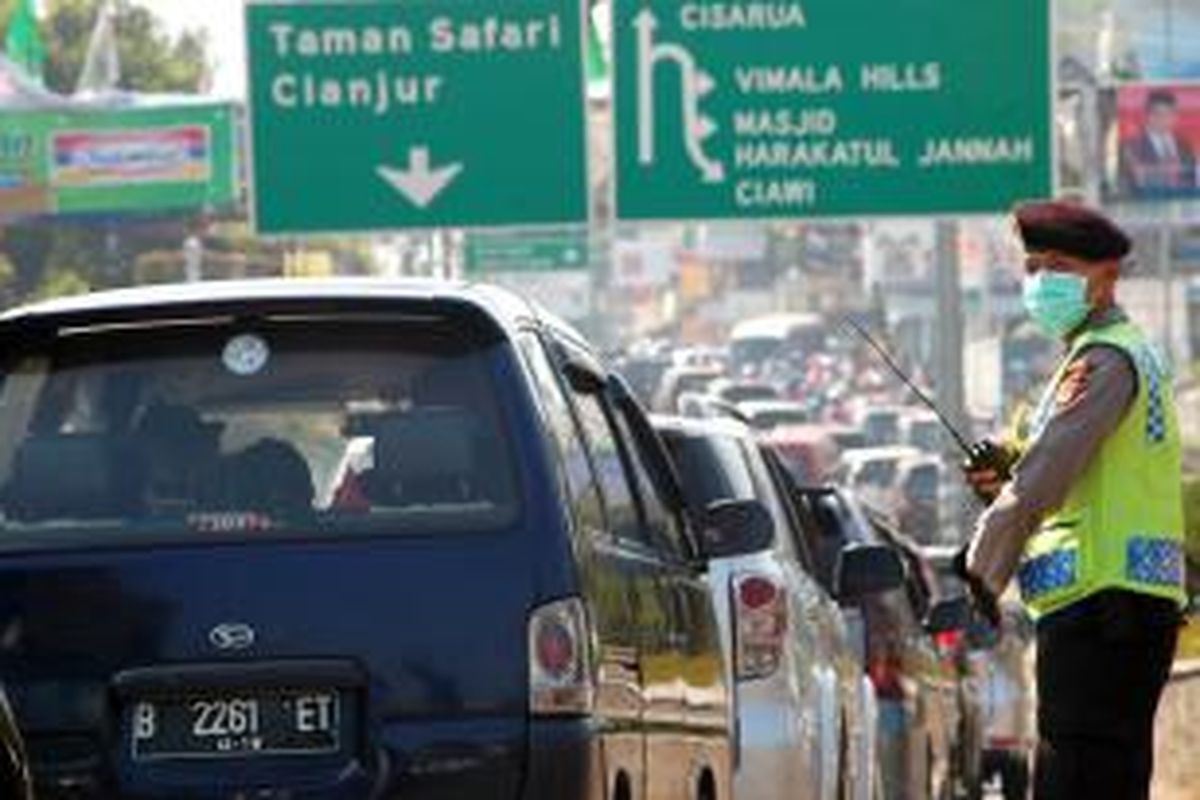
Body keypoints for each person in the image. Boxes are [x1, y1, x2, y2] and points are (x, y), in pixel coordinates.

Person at [958, 200, 1185, 800]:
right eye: (1032, 267)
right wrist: (1002, 470)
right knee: (1108, 777)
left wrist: (981, 570)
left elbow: (1044, 477)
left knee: (1075, 779)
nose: (1040, 283)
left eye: (1058, 266)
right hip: (1126, 603)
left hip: (1100, 607)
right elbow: (1046, 463)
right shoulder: (1112, 354)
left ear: (1106, 273)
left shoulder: (1103, 360)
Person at [1121, 89, 1197, 197]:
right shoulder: (1131, 147)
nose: (1163, 119)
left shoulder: (1185, 145)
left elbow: (1192, 178)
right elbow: (1128, 185)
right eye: (1158, 113)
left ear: (1176, 116)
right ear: (1147, 115)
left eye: (1169, 114)